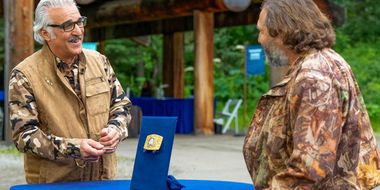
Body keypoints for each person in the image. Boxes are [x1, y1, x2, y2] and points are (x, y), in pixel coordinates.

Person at [242, 0, 380, 189]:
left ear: (282, 33)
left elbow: (311, 169)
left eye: (262, 31)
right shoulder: (322, 62)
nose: (260, 39)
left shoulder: (315, 77)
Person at [8, 0, 132, 183]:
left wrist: (116, 129)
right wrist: (74, 148)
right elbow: (24, 136)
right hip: (54, 184)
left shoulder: (100, 61)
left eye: (79, 22)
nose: (77, 31)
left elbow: (122, 106)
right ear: (45, 33)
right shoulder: (24, 75)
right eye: (67, 26)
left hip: (102, 180)